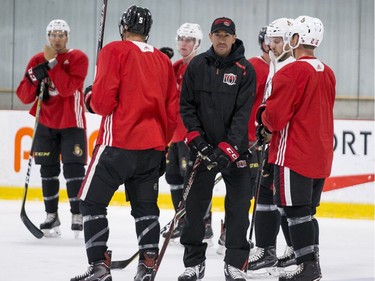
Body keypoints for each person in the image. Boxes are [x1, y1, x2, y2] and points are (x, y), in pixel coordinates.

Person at [70, 5, 178, 281]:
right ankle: (148, 264)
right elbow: (172, 110)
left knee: (90, 203)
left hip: (117, 144)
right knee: (146, 209)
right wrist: (162, 145)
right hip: (151, 148)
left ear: (123, 26)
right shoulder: (163, 61)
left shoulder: (113, 51)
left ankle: (99, 266)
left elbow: (104, 103)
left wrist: (91, 97)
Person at [257, 15, 335, 281]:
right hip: (320, 154)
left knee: (296, 211)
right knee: (306, 211)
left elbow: (276, 117)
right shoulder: (327, 71)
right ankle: (311, 261)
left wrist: (263, 119)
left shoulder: (292, 71)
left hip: (295, 153)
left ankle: (308, 266)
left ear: (296, 39)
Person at [178, 17, 256, 281]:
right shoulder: (197, 66)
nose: (222, 39)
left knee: (238, 208)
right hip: (201, 150)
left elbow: (242, 115)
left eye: (227, 34)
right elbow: (186, 107)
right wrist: (199, 142)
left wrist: (226, 150)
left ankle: (234, 264)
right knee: (195, 208)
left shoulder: (245, 70)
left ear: (234, 38)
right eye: (218, 34)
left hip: (236, 152)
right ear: (210, 37)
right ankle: (194, 263)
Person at [16, 19, 88, 238]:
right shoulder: (37, 60)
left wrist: (52, 65)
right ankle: (51, 215)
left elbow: (66, 89)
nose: (57, 39)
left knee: (74, 170)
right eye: (53, 35)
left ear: (68, 37)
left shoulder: (78, 58)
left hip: (71, 123)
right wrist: (33, 78)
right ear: (48, 37)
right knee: (48, 170)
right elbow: (24, 96)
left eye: (61, 34)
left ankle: (77, 214)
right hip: (45, 123)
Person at [247, 18, 297, 277]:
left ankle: (290, 250)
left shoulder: (290, 67)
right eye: (271, 41)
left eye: (278, 41)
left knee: (284, 199)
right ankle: (272, 249)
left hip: (283, 144)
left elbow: (279, 110)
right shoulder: (277, 65)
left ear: (290, 40)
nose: (272, 46)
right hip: (273, 142)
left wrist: (266, 126)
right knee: (269, 194)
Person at [217, 25, 270, 256]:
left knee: (254, 192)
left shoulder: (275, 68)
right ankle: (229, 233)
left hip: (260, 140)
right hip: (247, 140)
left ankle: (232, 232)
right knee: (243, 191)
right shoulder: (256, 66)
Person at [162, 23, 213, 243]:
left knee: (193, 180)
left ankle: (205, 222)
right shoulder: (174, 66)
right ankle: (180, 220)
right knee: (174, 178)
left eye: (189, 39)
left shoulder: (203, 66)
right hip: (174, 134)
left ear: (198, 43)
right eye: (181, 38)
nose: (184, 43)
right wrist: (161, 64)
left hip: (192, 134)